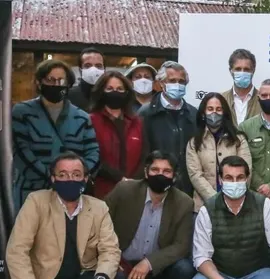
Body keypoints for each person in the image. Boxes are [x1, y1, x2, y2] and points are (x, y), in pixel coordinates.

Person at [3, 152, 125, 279]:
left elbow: (110, 249)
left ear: (86, 179)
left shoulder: (98, 207)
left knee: (116, 277)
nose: (70, 179)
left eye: (76, 174)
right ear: (53, 179)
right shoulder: (36, 202)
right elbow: (16, 251)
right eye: (63, 174)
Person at [106, 151, 196, 279]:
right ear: (146, 172)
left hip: (157, 266)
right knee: (114, 274)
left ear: (174, 176)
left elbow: (181, 245)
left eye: (166, 171)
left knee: (184, 268)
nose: (160, 175)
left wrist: (148, 263)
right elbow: (100, 224)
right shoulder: (124, 191)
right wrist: (114, 259)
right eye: (155, 169)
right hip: (122, 261)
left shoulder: (184, 202)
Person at [12, 60, 99, 211]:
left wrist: (77, 176)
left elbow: (93, 152)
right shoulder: (22, 112)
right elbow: (21, 151)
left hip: (71, 194)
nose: (56, 84)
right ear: (39, 83)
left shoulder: (82, 117)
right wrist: (53, 177)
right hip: (31, 192)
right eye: (50, 80)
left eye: (61, 80)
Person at [186, 92, 253, 210]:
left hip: (237, 203)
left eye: (218, 109)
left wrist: (231, 198)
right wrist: (215, 200)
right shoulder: (194, 142)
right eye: (210, 109)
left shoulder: (239, 139)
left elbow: (247, 170)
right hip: (204, 205)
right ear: (203, 113)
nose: (214, 113)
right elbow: (195, 175)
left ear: (224, 113)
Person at [140, 61, 198, 197]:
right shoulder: (146, 113)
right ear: (161, 83)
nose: (177, 85)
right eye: (172, 81)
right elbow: (142, 151)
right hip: (156, 183)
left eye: (181, 81)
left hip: (187, 186)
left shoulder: (194, 114)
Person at [89, 71, 145, 199]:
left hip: (133, 192)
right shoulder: (91, 120)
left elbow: (144, 155)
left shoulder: (137, 122)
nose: (115, 92)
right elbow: (93, 158)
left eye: (120, 89)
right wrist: (120, 179)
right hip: (101, 192)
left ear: (127, 93)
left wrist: (133, 181)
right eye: (110, 89)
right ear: (101, 91)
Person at [221, 48, 261, 124]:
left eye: (246, 69)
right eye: (238, 69)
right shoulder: (221, 100)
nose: (242, 73)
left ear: (253, 71)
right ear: (231, 71)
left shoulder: (263, 100)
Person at [66, 47, 104, 111]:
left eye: (98, 66)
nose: (93, 70)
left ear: (104, 70)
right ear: (80, 70)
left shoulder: (109, 96)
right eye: (88, 66)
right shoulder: (68, 96)